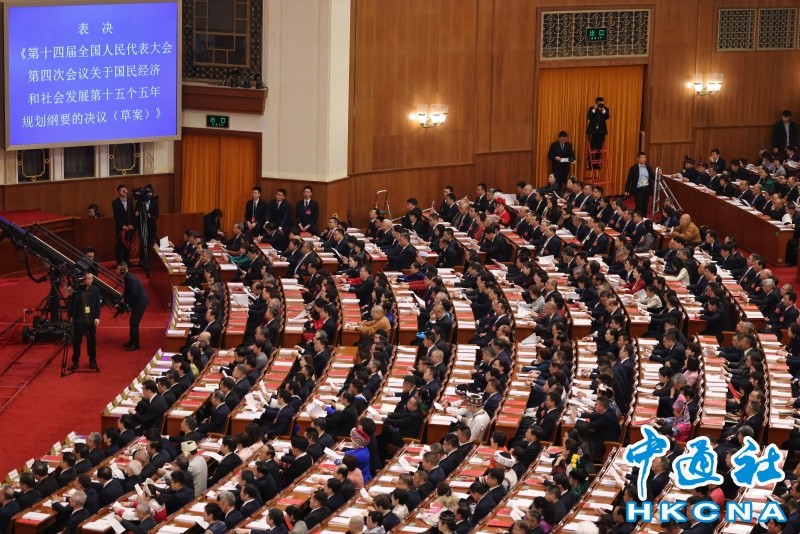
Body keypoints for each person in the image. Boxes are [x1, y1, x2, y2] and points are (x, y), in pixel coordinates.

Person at [66, 273, 102, 371]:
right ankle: (75, 361)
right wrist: (71, 316)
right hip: (79, 321)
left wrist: (97, 317)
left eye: (92, 278)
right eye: (89, 279)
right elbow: (69, 298)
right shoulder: (77, 290)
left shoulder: (95, 289)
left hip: (90, 321)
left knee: (92, 342)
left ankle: (92, 360)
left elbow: (98, 305)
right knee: (77, 342)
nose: (91, 280)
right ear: (84, 280)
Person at [119, 263, 149, 351]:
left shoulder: (129, 278)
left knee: (134, 323)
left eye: (118, 269)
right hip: (137, 303)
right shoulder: (127, 277)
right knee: (133, 322)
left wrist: (125, 300)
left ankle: (135, 345)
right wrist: (123, 298)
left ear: (123, 270)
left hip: (139, 303)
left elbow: (133, 293)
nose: (116, 270)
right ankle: (132, 342)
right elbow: (127, 290)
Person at [111, 184, 134, 265]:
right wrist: (122, 225)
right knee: (119, 245)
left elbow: (132, 214)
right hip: (120, 227)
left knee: (127, 244)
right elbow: (117, 216)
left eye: (125, 189)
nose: (124, 191)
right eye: (121, 190)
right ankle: (119, 262)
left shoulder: (130, 201)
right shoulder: (115, 202)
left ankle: (127, 261)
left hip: (129, 227)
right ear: (118, 192)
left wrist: (132, 224)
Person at [586, 97, 610, 168]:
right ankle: (590, 164)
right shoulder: (592, 108)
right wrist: (594, 109)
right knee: (591, 147)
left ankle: (596, 164)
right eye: (599, 103)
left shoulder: (605, 109)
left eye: (602, 103)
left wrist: (603, 110)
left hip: (601, 132)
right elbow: (589, 117)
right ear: (596, 103)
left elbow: (607, 117)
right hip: (592, 131)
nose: (600, 105)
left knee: (599, 148)